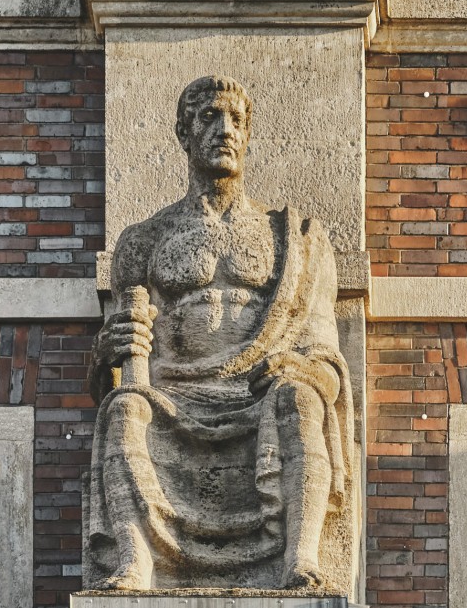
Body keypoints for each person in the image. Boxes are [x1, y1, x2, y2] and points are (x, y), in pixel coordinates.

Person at [85, 75, 355, 592]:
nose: (224, 130)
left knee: (302, 400)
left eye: (235, 120)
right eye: (209, 117)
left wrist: (297, 368)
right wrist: (107, 350)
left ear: (249, 134)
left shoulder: (295, 238)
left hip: (261, 393)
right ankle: (134, 564)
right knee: (123, 409)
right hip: (173, 395)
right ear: (184, 134)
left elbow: (326, 358)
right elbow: (114, 369)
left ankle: (301, 561)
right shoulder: (144, 240)